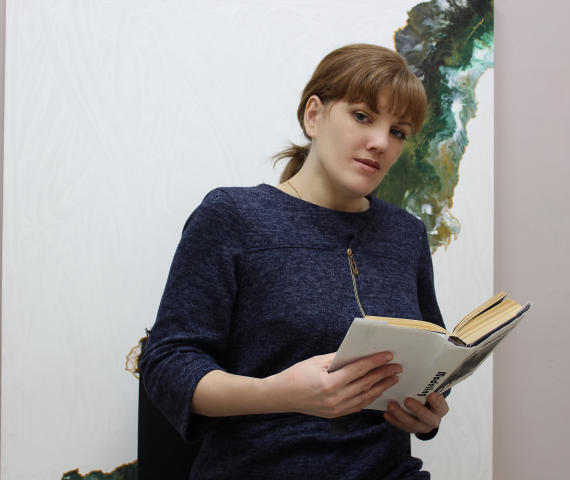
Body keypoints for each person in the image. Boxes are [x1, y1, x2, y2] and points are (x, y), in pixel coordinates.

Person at [139, 43, 449, 479]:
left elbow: (431, 359)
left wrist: (427, 411)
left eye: (398, 131)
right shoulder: (232, 217)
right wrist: (277, 394)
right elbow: (167, 363)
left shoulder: (406, 234)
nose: (380, 142)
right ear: (314, 115)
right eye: (363, 116)